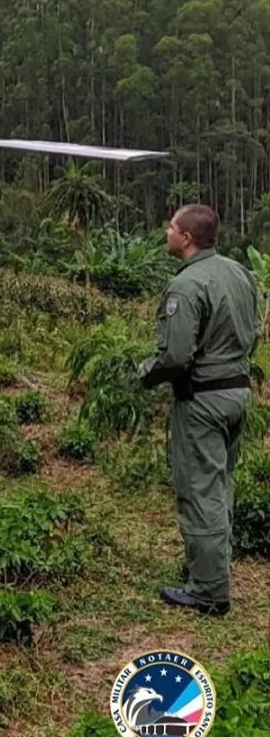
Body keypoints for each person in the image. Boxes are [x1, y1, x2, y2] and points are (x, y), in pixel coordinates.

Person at [137, 204, 261, 617]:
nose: (167, 232)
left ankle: (208, 592)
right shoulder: (240, 274)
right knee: (220, 484)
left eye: (171, 227)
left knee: (201, 490)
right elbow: (253, 332)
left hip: (203, 400)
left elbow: (175, 355)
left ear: (186, 238)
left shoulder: (187, 286)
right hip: (237, 395)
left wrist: (144, 374)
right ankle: (211, 569)